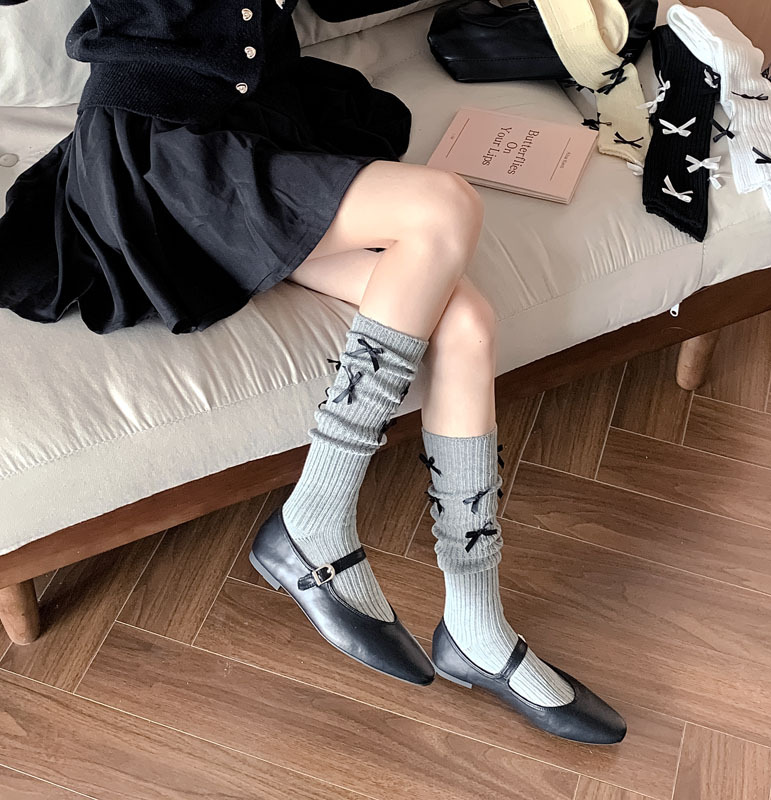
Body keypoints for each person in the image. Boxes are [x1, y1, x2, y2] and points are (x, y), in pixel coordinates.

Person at [0, 0, 625, 744]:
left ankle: (476, 626)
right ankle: (315, 517)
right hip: (163, 157)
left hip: (263, 134)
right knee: (442, 206)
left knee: (466, 323)